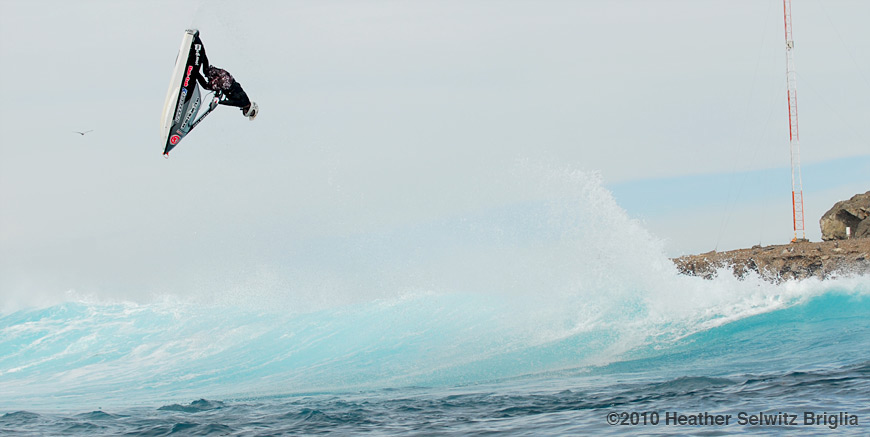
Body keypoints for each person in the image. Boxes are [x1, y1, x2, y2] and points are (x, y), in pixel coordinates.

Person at [194, 38, 258, 120]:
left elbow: (228, 94)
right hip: (225, 82)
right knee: (207, 86)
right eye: (250, 113)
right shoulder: (243, 102)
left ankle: (199, 46)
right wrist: (219, 102)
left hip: (226, 76)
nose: (246, 113)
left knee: (207, 70)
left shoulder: (244, 99)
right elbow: (231, 103)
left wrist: (218, 95)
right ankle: (194, 72)